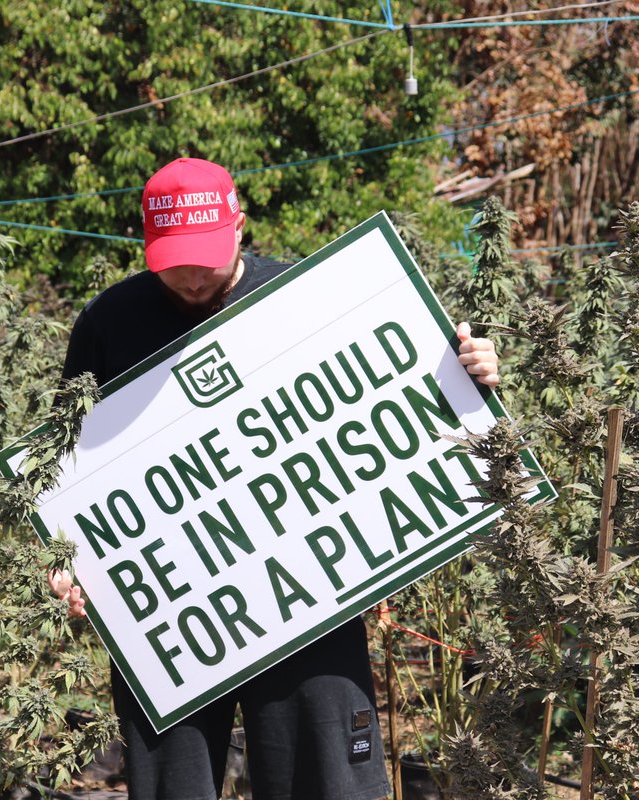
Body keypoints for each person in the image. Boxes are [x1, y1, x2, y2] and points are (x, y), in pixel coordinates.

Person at [50, 157, 500, 800]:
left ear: (239, 226)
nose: (193, 273)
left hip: (309, 587)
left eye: (205, 253)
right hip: (174, 609)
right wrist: (69, 560)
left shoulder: (306, 298)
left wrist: (468, 373)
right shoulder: (108, 323)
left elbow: (393, 402)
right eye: (174, 258)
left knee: (328, 782)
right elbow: (73, 466)